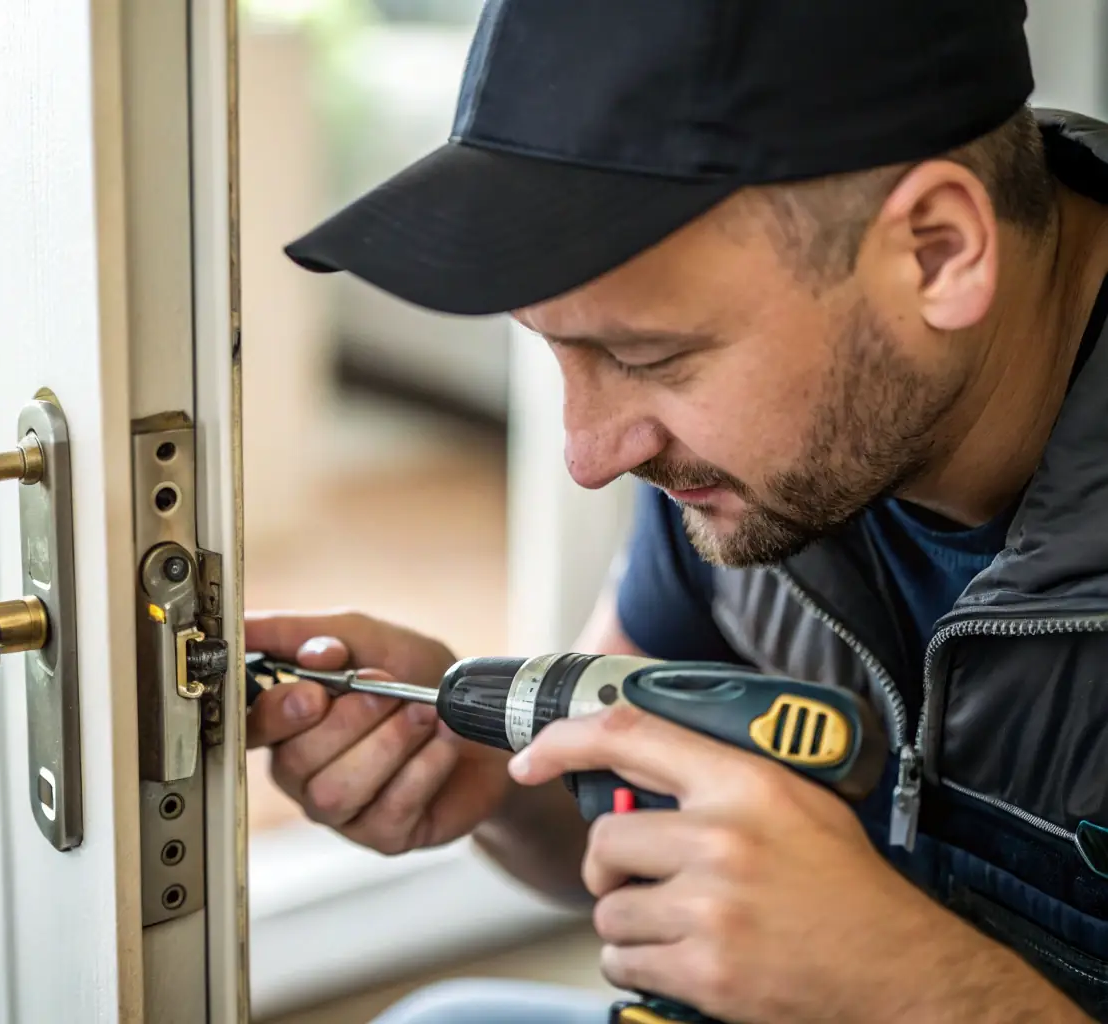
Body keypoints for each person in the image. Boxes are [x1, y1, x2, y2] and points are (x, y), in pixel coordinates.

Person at [251, 2, 1108, 1021]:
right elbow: (626, 838)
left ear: (936, 252)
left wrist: (928, 993)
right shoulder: (768, 456)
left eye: (649, 357)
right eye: (556, 347)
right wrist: (492, 771)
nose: (590, 453)